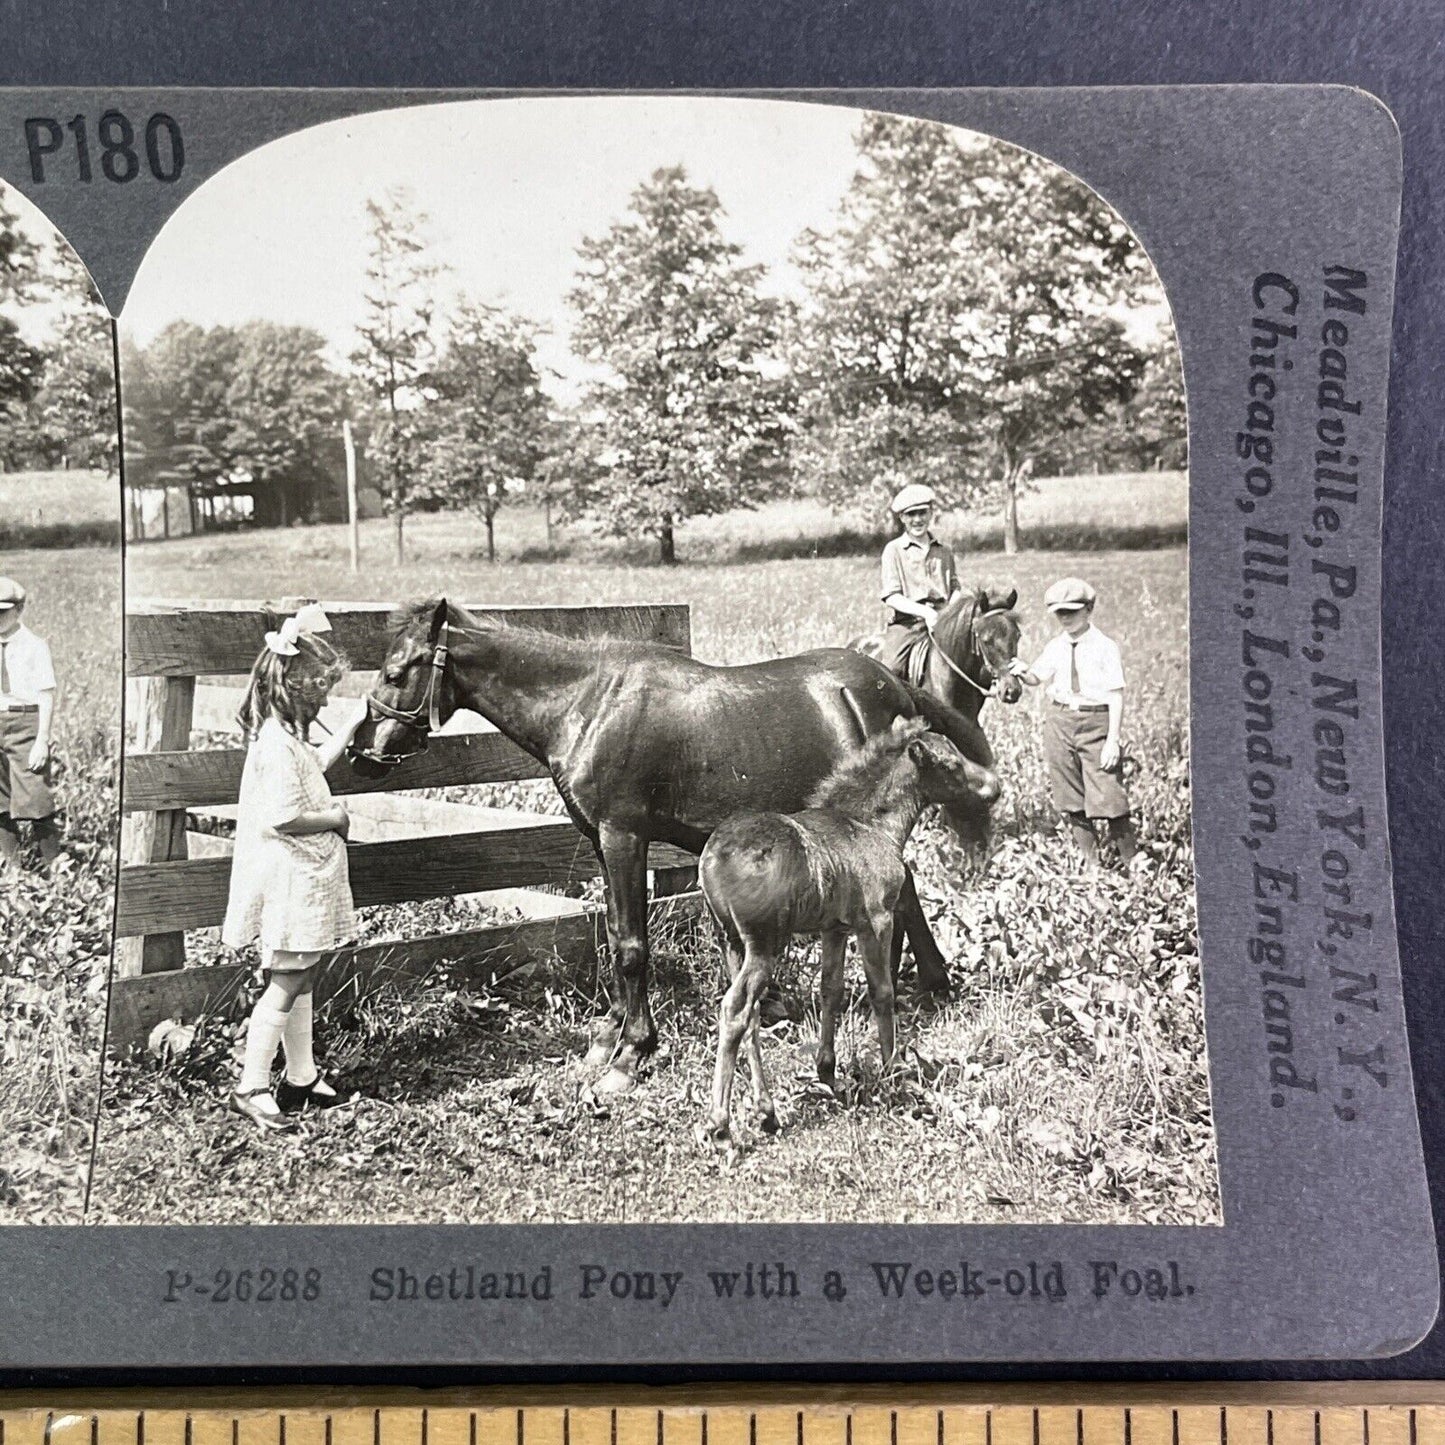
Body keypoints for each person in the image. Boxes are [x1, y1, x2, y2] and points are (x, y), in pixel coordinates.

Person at [221, 604, 367, 1131]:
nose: (327, 697)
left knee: (303, 974)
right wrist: (336, 816)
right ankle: (252, 1085)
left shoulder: (289, 740)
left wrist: (349, 726)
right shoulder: (274, 748)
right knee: (287, 979)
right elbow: (285, 817)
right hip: (292, 878)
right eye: (322, 689)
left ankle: (300, 1076)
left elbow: (314, 765)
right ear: (297, 689)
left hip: (309, 879)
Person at [1009, 577, 1143, 871]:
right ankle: (1091, 864)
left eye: (1072, 610)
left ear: (1089, 609)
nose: (1066, 618)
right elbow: (1037, 677)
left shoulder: (1105, 646)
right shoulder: (1056, 646)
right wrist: (1023, 671)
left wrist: (1112, 740)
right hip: (1060, 721)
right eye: (1060, 613)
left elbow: (1116, 695)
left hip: (1096, 722)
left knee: (1109, 792)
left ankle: (1132, 863)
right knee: (1069, 792)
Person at [0, 577, 63, 875]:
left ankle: (54, 870)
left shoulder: (35, 646)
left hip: (25, 723)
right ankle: (12, 871)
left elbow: (46, 694)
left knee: (37, 796)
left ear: (20, 609)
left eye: (3, 612)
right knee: (0, 801)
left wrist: (42, 739)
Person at [877, 483, 960, 684]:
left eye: (922, 513)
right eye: (911, 514)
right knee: (891, 671)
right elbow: (892, 596)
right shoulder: (894, 550)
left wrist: (950, 611)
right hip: (908, 624)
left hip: (944, 622)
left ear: (931, 513)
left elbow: (954, 586)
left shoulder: (944, 551)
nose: (917, 520)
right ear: (902, 518)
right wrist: (926, 613)